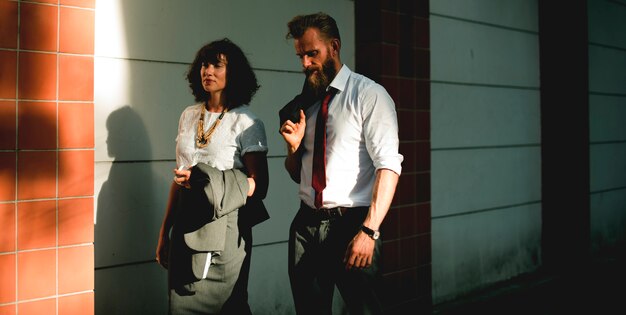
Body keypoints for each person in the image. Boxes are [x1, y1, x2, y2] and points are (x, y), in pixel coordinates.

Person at [279, 12, 403, 315]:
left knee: (366, 309)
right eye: (300, 56)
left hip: (351, 224)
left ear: (334, 46)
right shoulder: (303, 103)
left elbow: (389, 166)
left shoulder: (370, 95)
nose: (305, 63)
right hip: (305, 225)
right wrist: (293, 149)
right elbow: (297, 175)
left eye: (312, 54)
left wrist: (369, 231)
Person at [156, 38, 269, 315]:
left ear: (234, 73)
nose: (208, 71)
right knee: (181, 303)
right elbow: (179, 180)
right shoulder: (188, 115)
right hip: (186, 222)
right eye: (205, 64)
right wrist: (164, 232)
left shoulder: (247, 121)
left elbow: (260, 185)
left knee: (229, 306)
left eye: (217, 65)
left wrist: (215, 184)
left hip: (226, 226)